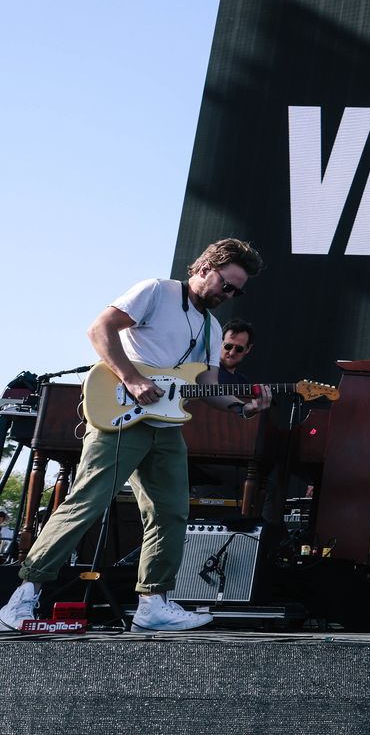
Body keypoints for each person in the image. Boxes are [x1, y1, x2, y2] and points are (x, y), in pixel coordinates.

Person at [3, 238, 264, 632]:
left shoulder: (211, 327)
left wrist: (241, 407)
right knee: (87, 503)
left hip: (165, 428)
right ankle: (24, 596)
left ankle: (153, 603)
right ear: (206, 267)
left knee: (171, 512)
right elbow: (100, 328)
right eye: (226, 284)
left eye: (237, 291)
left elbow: (208, 383)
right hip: (121, 417)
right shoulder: (157, 291)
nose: (229, 295)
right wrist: (133, 378)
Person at [213, 320, 272, 414]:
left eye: (239, 349)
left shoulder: (243, 382)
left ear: (248, 349)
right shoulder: (206, 372)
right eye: (228, 346)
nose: (232, 353)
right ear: (221, 343)